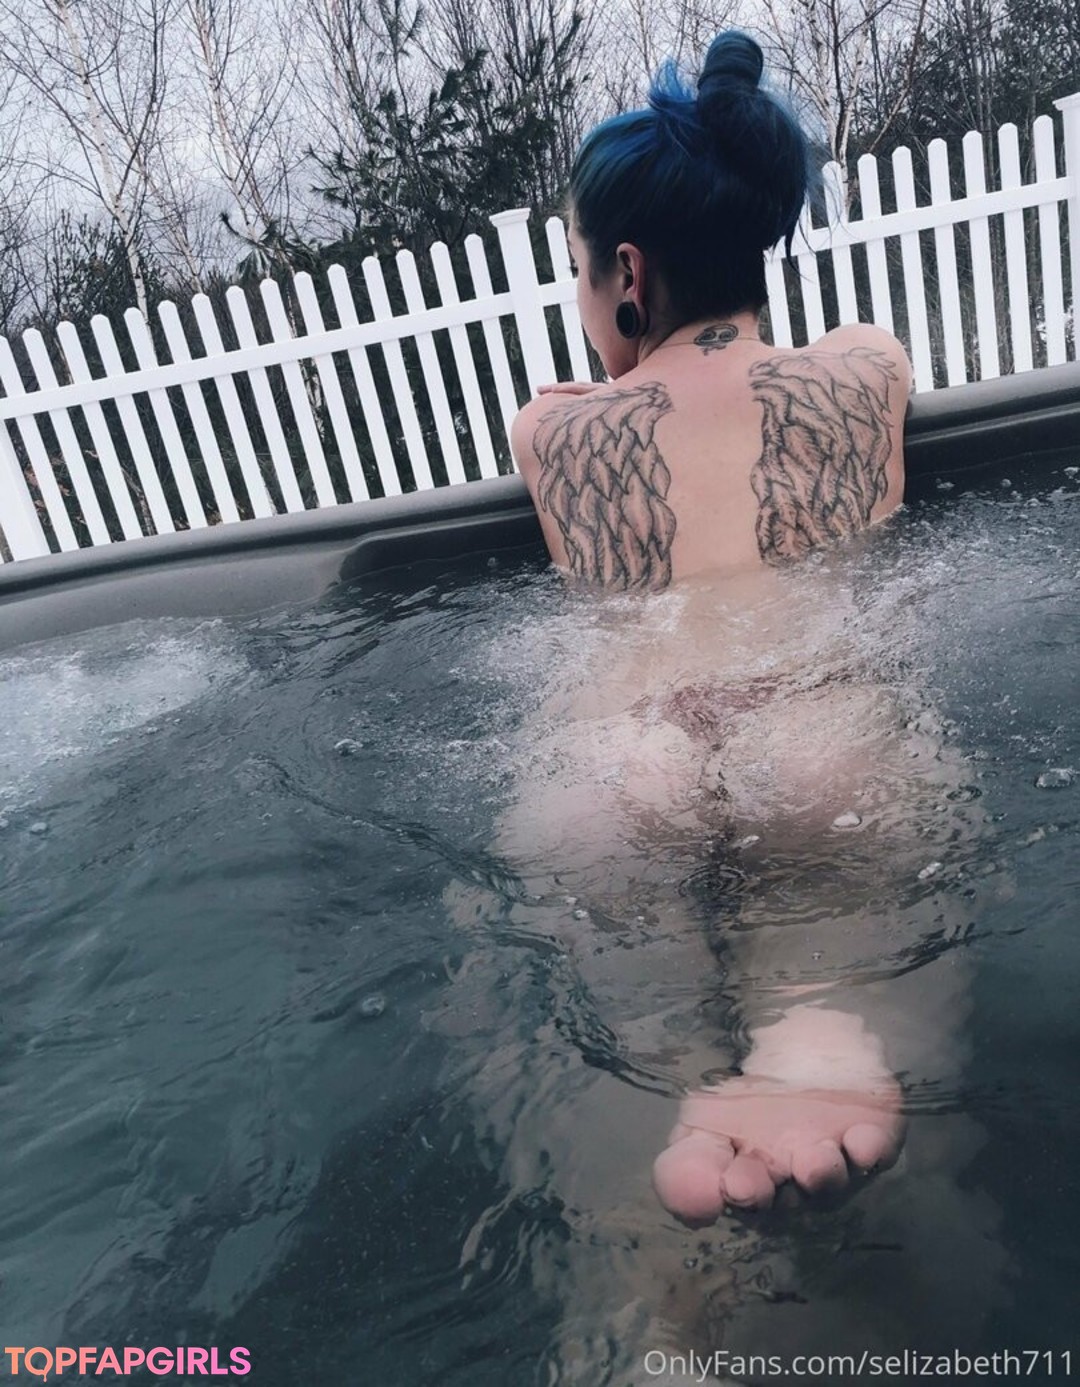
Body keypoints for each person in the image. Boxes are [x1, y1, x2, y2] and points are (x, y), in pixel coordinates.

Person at [505, 29, 917, 1224]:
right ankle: (819, 1014)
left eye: (580, 272)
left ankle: (654, 1266)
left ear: (627, 269)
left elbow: (594, 392)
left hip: (621, 753)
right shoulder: (867, 372)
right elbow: (845, 352)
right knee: (828, 932)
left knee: (623, 1040)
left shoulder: (551, 434)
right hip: (819, 729)